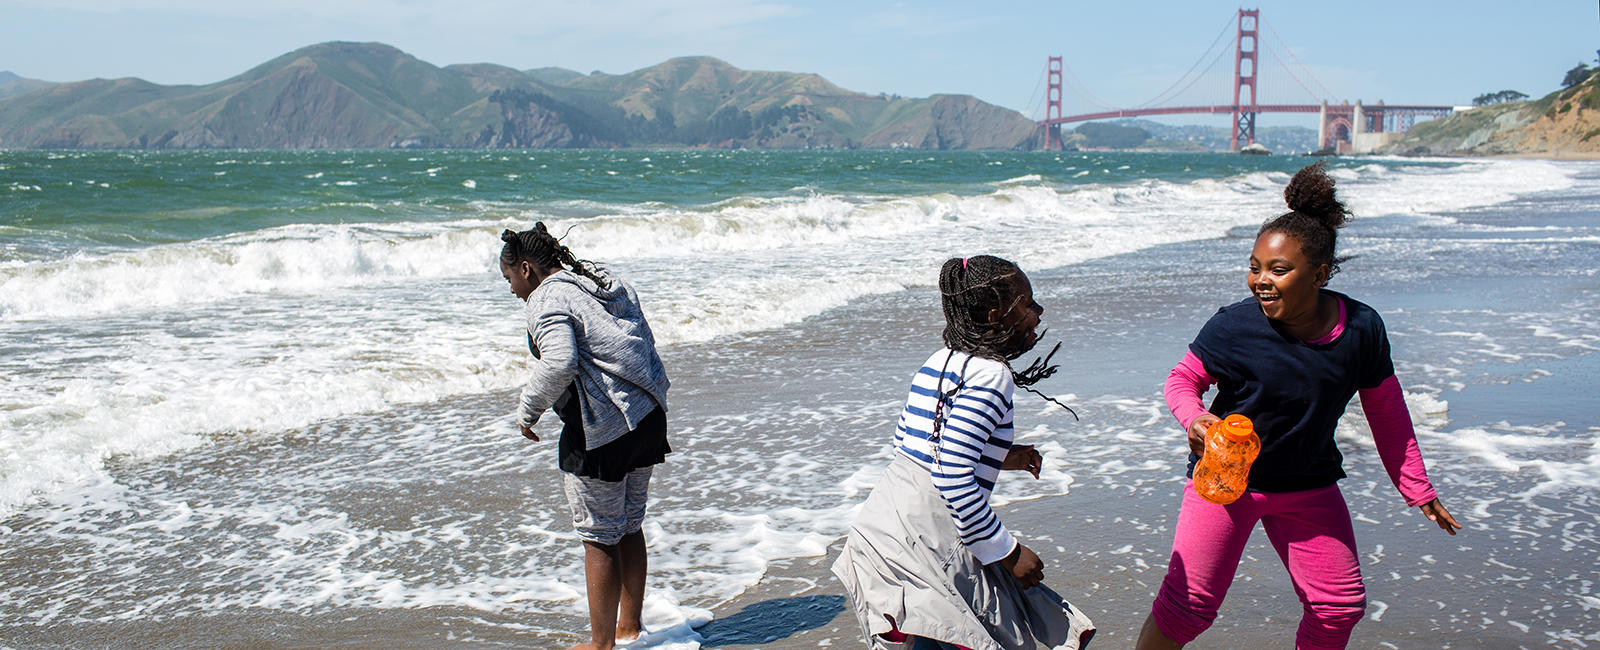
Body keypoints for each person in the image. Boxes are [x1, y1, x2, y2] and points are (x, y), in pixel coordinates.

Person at [1134, 163, 1462, 650]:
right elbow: (1182, 381)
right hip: (1226, 480)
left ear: (1320, 273)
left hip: (1310, 485)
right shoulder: (1234, 327)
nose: (1260, 281)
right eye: (1254, 267)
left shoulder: (1361, 329)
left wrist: (1416, 487)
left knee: (1339, 607)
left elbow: (1387, 410)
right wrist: (1197, 417)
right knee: (1188, 609)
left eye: (1278, 270)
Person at [832, 255, 1095, 650]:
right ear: (995, 316)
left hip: (887, 518)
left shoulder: (940, 360)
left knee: (931, 633)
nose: (1038, 313)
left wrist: (1005, 456)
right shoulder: (993, 375)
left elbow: (914, 444)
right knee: (969, 635)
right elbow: (952, 474)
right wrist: (1008, 552)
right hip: (933, 530)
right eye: (1027, 303)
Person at [499, 223, 671, 650]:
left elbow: (559, 362)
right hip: (647, 415)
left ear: (526, 268)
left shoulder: (546, 298)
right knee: (629, 524)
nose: (513, 291)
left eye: (510, 280)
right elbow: (642, 341)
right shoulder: (601, 282)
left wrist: (528, 411)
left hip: (602, 432)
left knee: (599, 537)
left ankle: (600, 645)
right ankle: (628, 628)